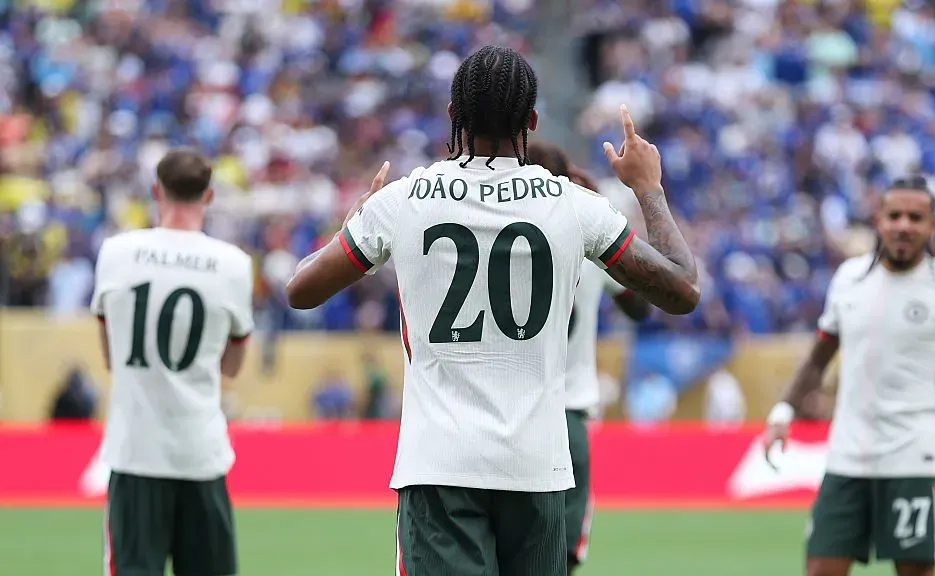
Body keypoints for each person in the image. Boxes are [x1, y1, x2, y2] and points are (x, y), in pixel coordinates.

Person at [285, 45, 701, 576]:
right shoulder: (574, 205)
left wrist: (353, 224)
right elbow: (683, 289)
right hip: (537, 466)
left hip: (438, 466)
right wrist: (648, 188)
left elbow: (300, 290)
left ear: (452, 115)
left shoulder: (403, 200)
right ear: (531, 121)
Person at [762, 175, 935, 576]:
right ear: (878, 220)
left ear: (932, 225)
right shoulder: (849, 279)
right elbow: (817, 360)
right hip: (847, 456)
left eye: (916, 217)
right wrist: (782, 413)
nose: (903, 225)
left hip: (914, 457)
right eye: (894, 215)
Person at [90, 149, 254, 576]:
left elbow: (111, 355)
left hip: (134, 451)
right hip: (199, 452)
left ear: (155, 191)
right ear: (209, 195)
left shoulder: (117, 253)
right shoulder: (233, 264)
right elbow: (232, 366)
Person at [529, 141, 651, 574]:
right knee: (559, 555)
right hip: (567, 412)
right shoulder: (587, 238)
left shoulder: (493, 238)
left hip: (505, 409)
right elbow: (641, 305)